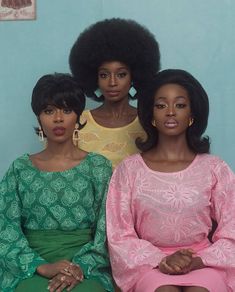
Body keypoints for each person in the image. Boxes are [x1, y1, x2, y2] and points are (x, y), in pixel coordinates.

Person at [106, 69, 235, 292]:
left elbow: (232, 229)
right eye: (161, 105)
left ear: (192, 114)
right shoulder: (129, 170)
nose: (171, 112)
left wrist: (198, 260)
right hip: (148, 265)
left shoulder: (215, 168)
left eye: (180, 105)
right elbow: (119, 234)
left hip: (204, 262)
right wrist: (161, 260)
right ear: (151, 115)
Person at [0, 73, 114, 292]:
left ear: (79, 116)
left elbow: (107, 230)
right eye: (49, 111)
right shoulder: (20, 169)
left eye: (67, 110)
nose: (58, 118)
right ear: (39, 118)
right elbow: (5, 228)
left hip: (85, 266)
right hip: (31, 265)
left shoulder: (98, 168)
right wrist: (40, 266)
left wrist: (79, 267)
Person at [69, 18, 160, 168]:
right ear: (94, 78)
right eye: (104, 75)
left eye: (121, 74)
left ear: (133, 77)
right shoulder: (78, 122)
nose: (112, 82)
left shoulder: (149, 121)